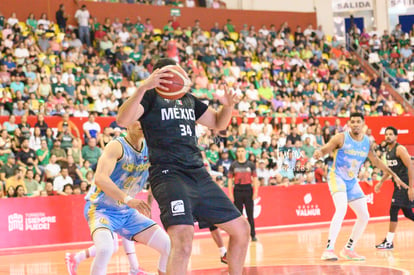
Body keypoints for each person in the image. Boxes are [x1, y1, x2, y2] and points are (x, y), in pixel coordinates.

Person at [117, 58, 250, 275]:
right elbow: (122, 120)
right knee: (183, 238)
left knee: (242, 229)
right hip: (168, 174)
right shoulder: (149, 97)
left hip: (198, 173)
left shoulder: (188, 98)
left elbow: (218, 123)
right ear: (157, 74)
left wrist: (228, 106)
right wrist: (143, 87)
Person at [66, 121, 170, 275]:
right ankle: (133, 268)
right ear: (127, 123)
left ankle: (135, 268)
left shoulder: (152, 149)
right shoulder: (117, 146)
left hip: (127, 212)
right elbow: (100, 178)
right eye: (136, 119)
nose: (142, 123)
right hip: (101, 209)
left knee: (168, 246)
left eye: (144, 118)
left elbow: (157, 178)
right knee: (106, 248)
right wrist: (128, 199)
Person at [315, 113, 407, 261]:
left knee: (364, 215)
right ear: (349, 124)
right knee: (341, 209)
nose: (355, 124)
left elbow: (376, 161)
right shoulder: (341, 137)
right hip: (337, 177)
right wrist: (319, 152)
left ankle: (348, 249)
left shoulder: (366, 142)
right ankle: (329, 249)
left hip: (352, 181)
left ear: (363, 123)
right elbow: (326, 148)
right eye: (353, 122)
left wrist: (393, 174)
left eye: (358, 121)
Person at [374, 126, 414, 249]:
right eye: (387, 134)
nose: (388, 136)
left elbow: (410, 167)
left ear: (396, 136)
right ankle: (389, 241)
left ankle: (389, 241)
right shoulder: (388, 151)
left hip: (404, 184)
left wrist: (411, 187)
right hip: (398, 185)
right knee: (408, 213)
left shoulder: (400, 149)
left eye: (391, 134)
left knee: (394, 209)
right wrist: (381, 182)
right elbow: (390, 170)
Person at [227, 146, 259, 242]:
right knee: (238, 215)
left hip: (248, 190)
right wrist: (230, 193)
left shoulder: (251, 165)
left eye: (242, 151)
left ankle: (252, 234)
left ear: (245, 152)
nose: (240, 152)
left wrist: (255, 191)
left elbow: (255, 179)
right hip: (237, 190)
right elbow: (229, 180)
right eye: (238, 151)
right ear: (237, 153)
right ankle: (239, 235)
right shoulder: (233, 165)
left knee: (250, 214)